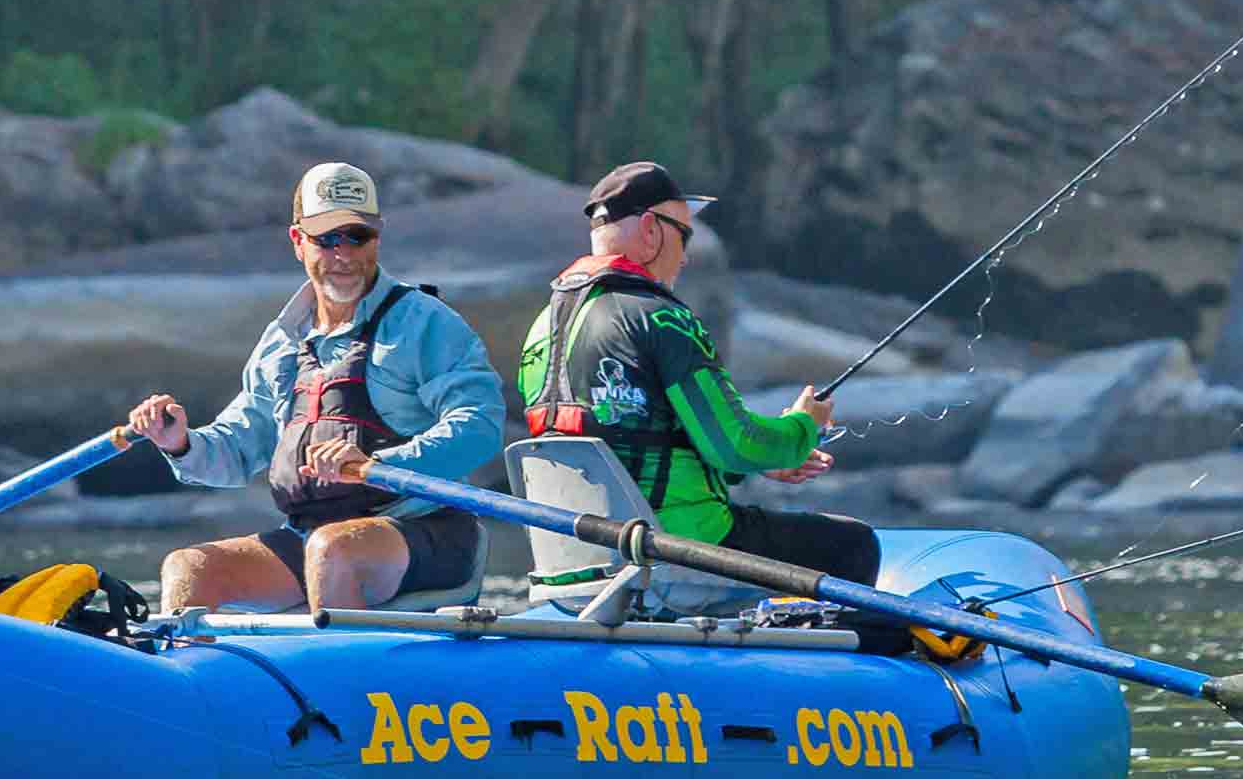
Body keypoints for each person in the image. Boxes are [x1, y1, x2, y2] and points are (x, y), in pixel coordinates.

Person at [128, 162, 506, 612]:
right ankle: (188, 677)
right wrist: (180, 443)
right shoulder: (280, 342)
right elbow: (238, 447)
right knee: (189, 567)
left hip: (427, 529)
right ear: (297, 242)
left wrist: (377, 463)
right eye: (326, 239)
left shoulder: (426, 323)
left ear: (377, 238)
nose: (343, 254)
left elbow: (480, 426)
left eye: (357, 236)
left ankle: (347, 679)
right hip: (311, 537)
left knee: (334, 551)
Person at [515, 160, 882, 584]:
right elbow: (736, 443)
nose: (686, 256)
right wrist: (803, 428)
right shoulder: (663, 320)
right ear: (651, 229)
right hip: (671, 551)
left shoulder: (543, 327)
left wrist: (760, 463)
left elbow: (639, 437)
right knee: (853, 544)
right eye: (682, 235)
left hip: (574, 563)